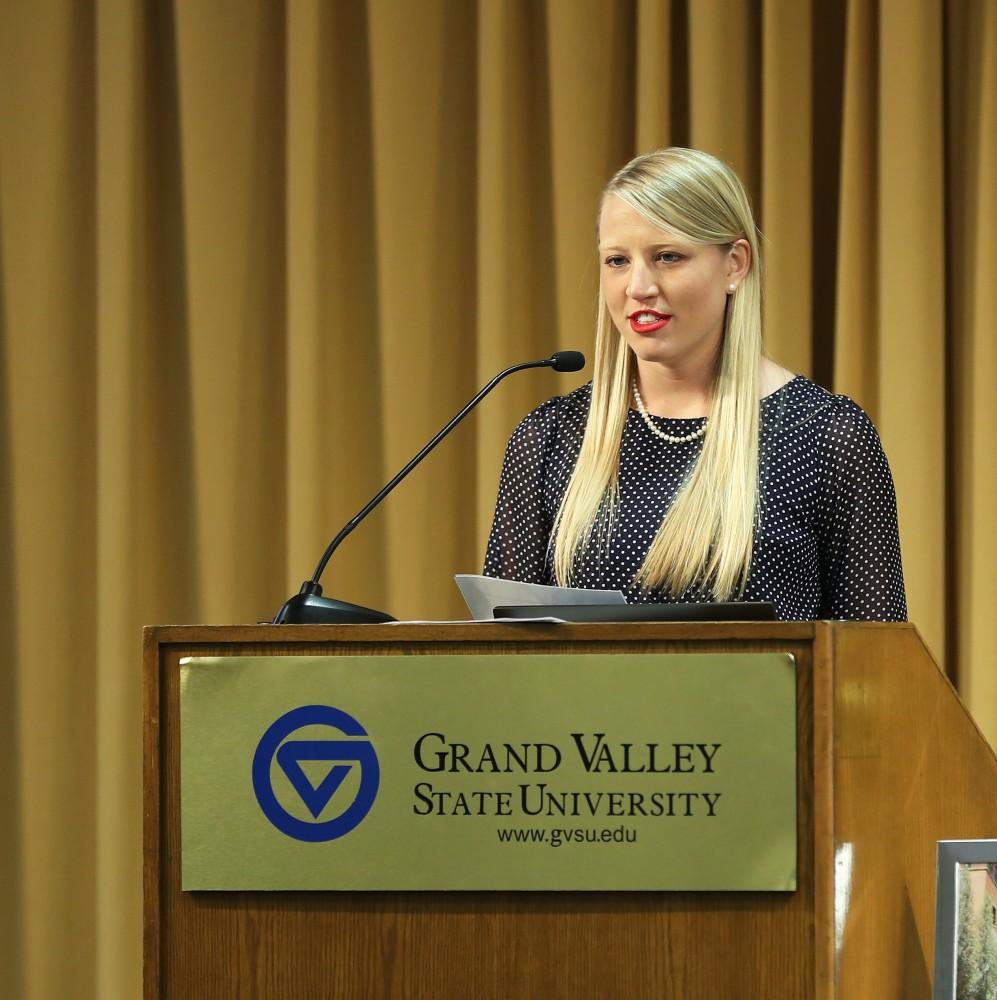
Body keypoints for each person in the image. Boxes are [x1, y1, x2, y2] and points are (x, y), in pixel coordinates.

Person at [483, 147, 906, 621]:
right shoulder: (552, 437)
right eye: (617, 261)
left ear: (735, 264)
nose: (638, 286)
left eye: (668, 256)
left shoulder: (827, 436)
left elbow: (875, 659)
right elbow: (501, 652)